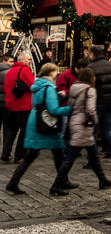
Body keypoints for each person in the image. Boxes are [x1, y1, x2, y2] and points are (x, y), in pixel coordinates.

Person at [5, 64, 73, 195]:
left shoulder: (38, 86)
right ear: (51, 73)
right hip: (47, 125)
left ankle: (13, 183)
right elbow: (53, 109)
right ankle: (59, 184)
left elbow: (39, 103)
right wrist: (70, 110)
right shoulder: (49, 88)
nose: (56, 74)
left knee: (32, 156)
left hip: (36, 122)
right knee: (57, 155)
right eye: (55, 72)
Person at [51, 68, 111, 192]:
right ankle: (56, 184)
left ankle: (103, 179)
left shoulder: (74, 87)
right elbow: (90, 109)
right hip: (84, 125)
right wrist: (95, 120)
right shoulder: (90, 90)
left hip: (74, 122)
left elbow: (70, 104)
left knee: (93, 154)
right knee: (71, 156)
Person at [2, 51, 35, 163]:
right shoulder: (25, 70)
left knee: (12, 130)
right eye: (28, 59)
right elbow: (33, 85)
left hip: (11, 104)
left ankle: (5, 154)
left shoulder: (10, 71)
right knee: (24, 131)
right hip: (23, 106)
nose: (30, 61)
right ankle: (19, 156)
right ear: (21, 60)